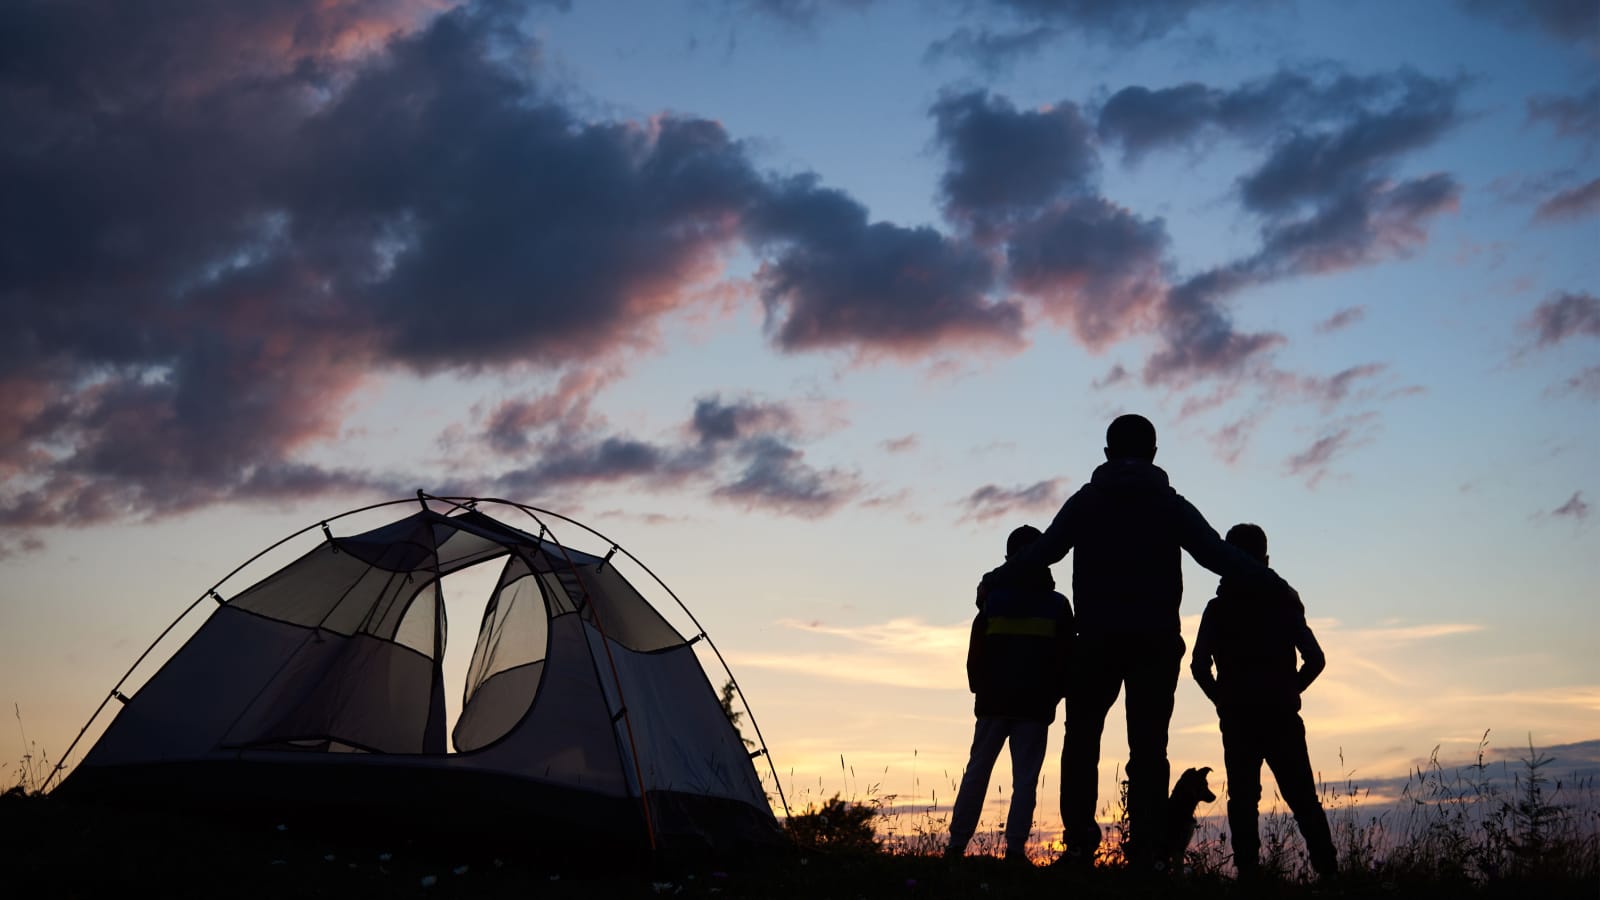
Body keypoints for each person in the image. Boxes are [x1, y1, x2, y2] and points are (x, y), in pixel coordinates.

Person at [980, 414, 1292, 869]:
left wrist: (995, 578)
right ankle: (1146, 851)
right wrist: (1273, 581)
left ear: (1107, 454)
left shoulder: (1087, 503)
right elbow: (1217, 555)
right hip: (1154, 643)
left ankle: (1082, 846)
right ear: (1153, 453)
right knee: (1148, 749)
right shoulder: (1169, 505)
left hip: (1096, 641)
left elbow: (1043, 551)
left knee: (1082, 741)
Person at [1190, 523, 1337, 881]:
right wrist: (1291, 690)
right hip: (1281, 714)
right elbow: (1315, 659)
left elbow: (1198, 666)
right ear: (1265, 558)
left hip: (1238, 716)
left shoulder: (1218, 608)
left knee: (1243, 801)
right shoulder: (1284, 599)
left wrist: (1220, 699)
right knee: (1303, 799)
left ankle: (1250, 878)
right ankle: (1331, 877)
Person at [946, 524, 1074, 864]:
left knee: (977, 772)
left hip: (994, 702)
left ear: (1008, 560)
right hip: (1034, 705)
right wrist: (1055, 695)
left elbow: (976, 653)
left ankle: (956, 846)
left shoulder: (992, 602)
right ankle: (1015, 851)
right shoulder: (1058, 606)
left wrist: (981, 689)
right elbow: (1067, 659)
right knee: (1026, 781)